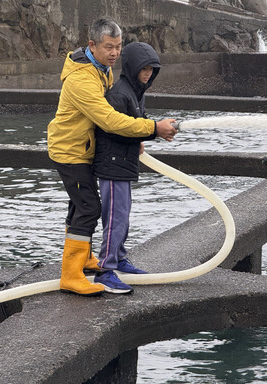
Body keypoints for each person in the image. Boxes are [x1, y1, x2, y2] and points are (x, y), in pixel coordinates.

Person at [47, 17, 177, 296]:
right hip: (70, 151)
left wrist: (135, 139)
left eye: (118, 47)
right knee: (89, 208)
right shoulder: (82, 78)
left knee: (79, 206)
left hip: (84, 148)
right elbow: (108, 120)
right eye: (109, 47)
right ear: (92, 45)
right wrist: (152, 129)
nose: (115, 53)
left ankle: (83, 260)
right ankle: (71, 275)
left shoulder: (101, 68)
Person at [92, 42, 169, 294]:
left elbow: (136, 123)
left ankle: (120, 259)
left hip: (123, 165)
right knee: (114, 218)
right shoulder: (119, 93)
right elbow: (114, 128)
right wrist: (152, 131)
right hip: (112, 166)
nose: (147, 73)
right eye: (143, 68)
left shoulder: (137, 91)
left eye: (151, 69)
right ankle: (105, 270)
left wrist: (141, 137)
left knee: (122, 216)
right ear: (133, 67)